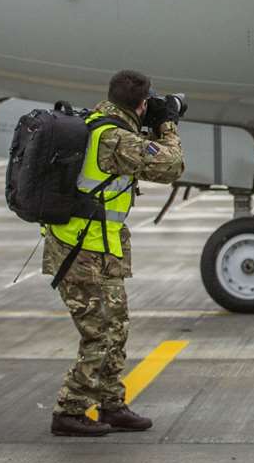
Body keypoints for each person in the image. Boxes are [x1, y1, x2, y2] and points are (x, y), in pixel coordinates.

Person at [45, 69, 184, 437]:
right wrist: (167, 125)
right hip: (81, 252)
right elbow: (172, 166)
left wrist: (146, 125)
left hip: (101, 250)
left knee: (116, 328)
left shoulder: (99, 123)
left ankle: (111, 403)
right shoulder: (113, 137)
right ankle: (68, 410)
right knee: (100, 335)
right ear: (141, 104)